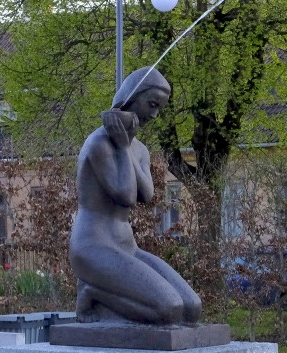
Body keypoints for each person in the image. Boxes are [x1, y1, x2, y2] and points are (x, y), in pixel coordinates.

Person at [70, 67, 201, 326]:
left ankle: (99, 294)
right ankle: (92, 292)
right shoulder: (100, 143)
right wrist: (121, 147)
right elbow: (126, 196)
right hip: (93, 247)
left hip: (127, 247)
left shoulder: (138, 148)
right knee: (169, 310)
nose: (155, 114)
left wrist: (127, 147)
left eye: (160, 108)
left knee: (191, 309)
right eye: (152, 104)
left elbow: (148, 194)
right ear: (132, 97)